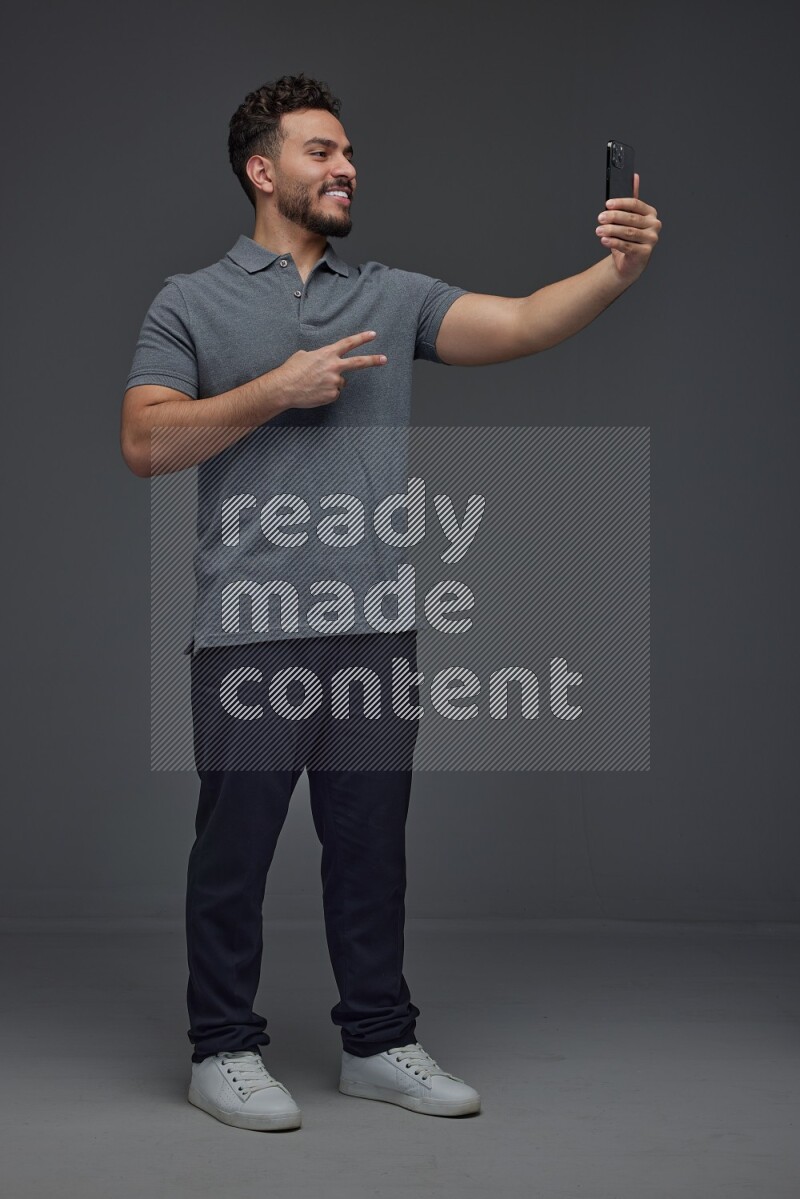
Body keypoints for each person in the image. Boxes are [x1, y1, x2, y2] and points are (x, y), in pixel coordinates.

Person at [121, 72, 661, 1132]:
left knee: (371, 852)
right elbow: (145, 441)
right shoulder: (188, 301)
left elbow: (520, 322)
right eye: (322, 151)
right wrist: (273, 390)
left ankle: (376, 1040)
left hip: (373, 631)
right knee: (233, 853)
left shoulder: (390, 295)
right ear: (262, 169)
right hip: (248, 632)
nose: (347, 168)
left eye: (350, 152)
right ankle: (221, 1048)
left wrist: (615, 272)